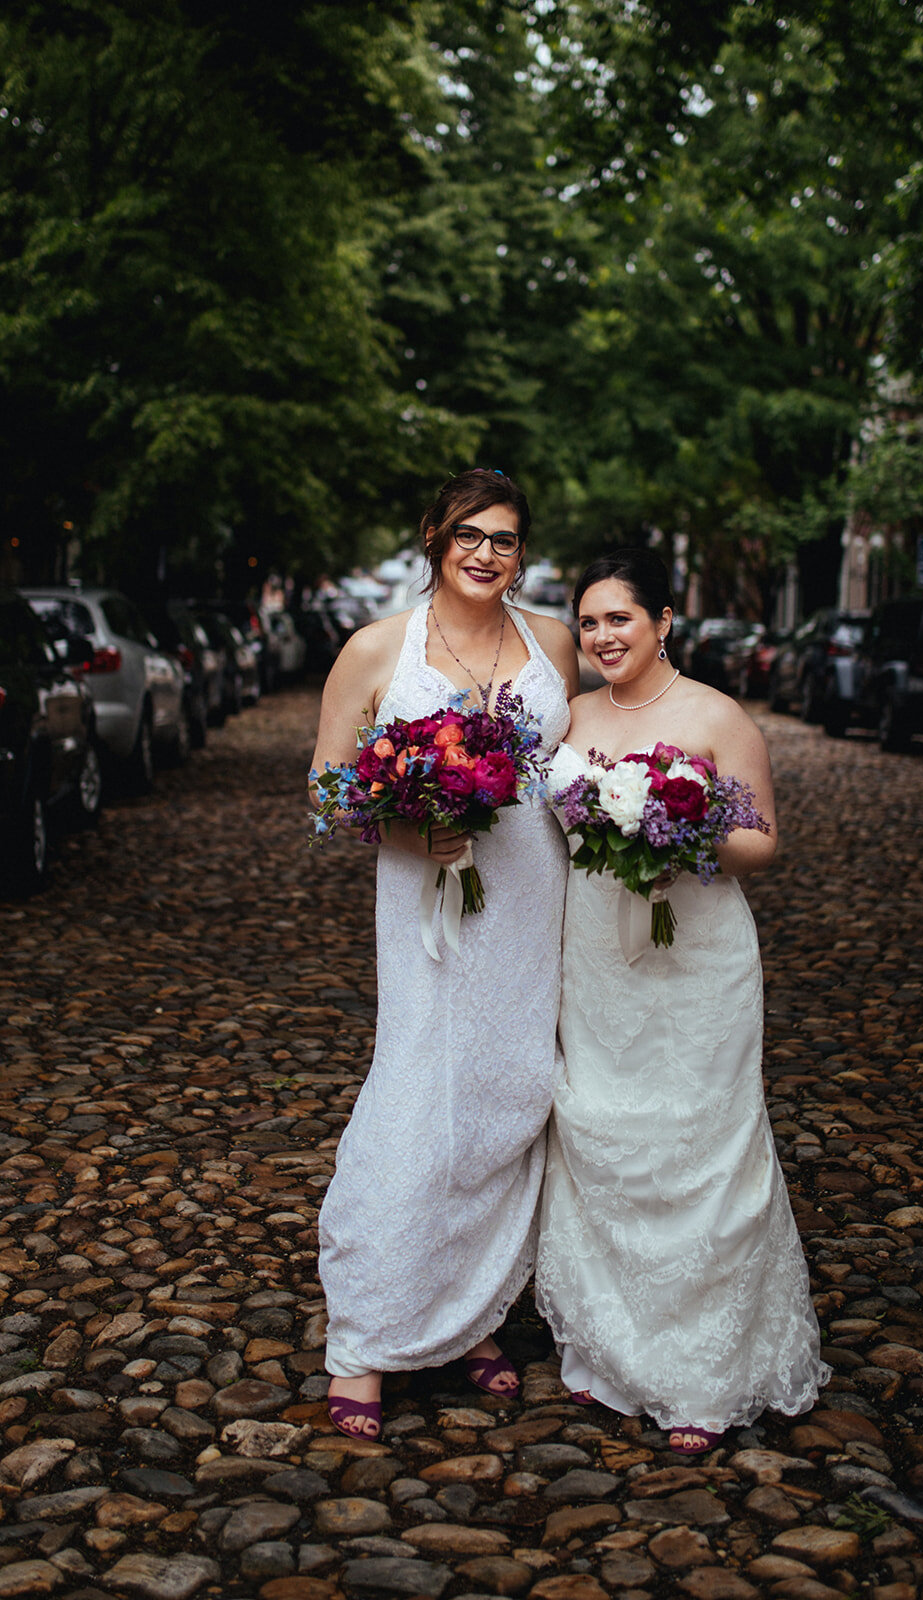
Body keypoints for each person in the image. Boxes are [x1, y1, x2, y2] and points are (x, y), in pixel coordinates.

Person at [536, 548, 829, 1454]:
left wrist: (681, 835)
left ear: (663, 620)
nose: (601, 636)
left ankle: (705, 1372)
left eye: (618, 618)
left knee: (699, 1137)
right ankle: (610, 1352)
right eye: (587, 623)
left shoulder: (716, 713)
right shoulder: (571, 714)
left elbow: (761, 841)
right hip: (592, 956)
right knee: (605, 1133)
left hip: (695, 957)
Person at [312, 468, 579, 1440]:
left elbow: (576, 764)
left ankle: (467, 1318)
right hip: (427, 899)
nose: (485, 553)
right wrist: (403, 829)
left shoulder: (550, 642)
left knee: (509, 1100)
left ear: (521, 550)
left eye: (504, 538)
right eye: (468, 533)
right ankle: (369, 1337)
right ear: (433, 535)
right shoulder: (379, 648)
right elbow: (325, 786)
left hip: (530, 902)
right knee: (418, 1103)